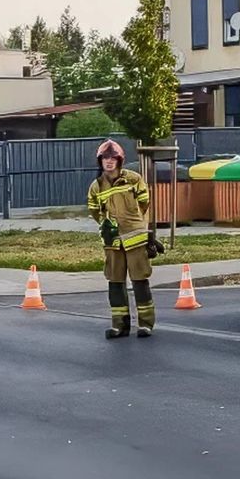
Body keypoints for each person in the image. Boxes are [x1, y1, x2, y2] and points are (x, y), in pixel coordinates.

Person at [87, 140, 156, 340]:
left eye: (113, 158)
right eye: (105, 158)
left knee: (140, 281)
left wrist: (135, 224)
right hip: (113, 242)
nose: (109, 162)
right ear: (100, 161)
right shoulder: (96, 186)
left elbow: (144, 203)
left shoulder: (134, 179)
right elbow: (94, 209)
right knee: (115, 283)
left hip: (135, 238)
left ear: (120, 160)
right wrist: (105, 224)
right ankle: (120, 326)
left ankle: (145, 324)